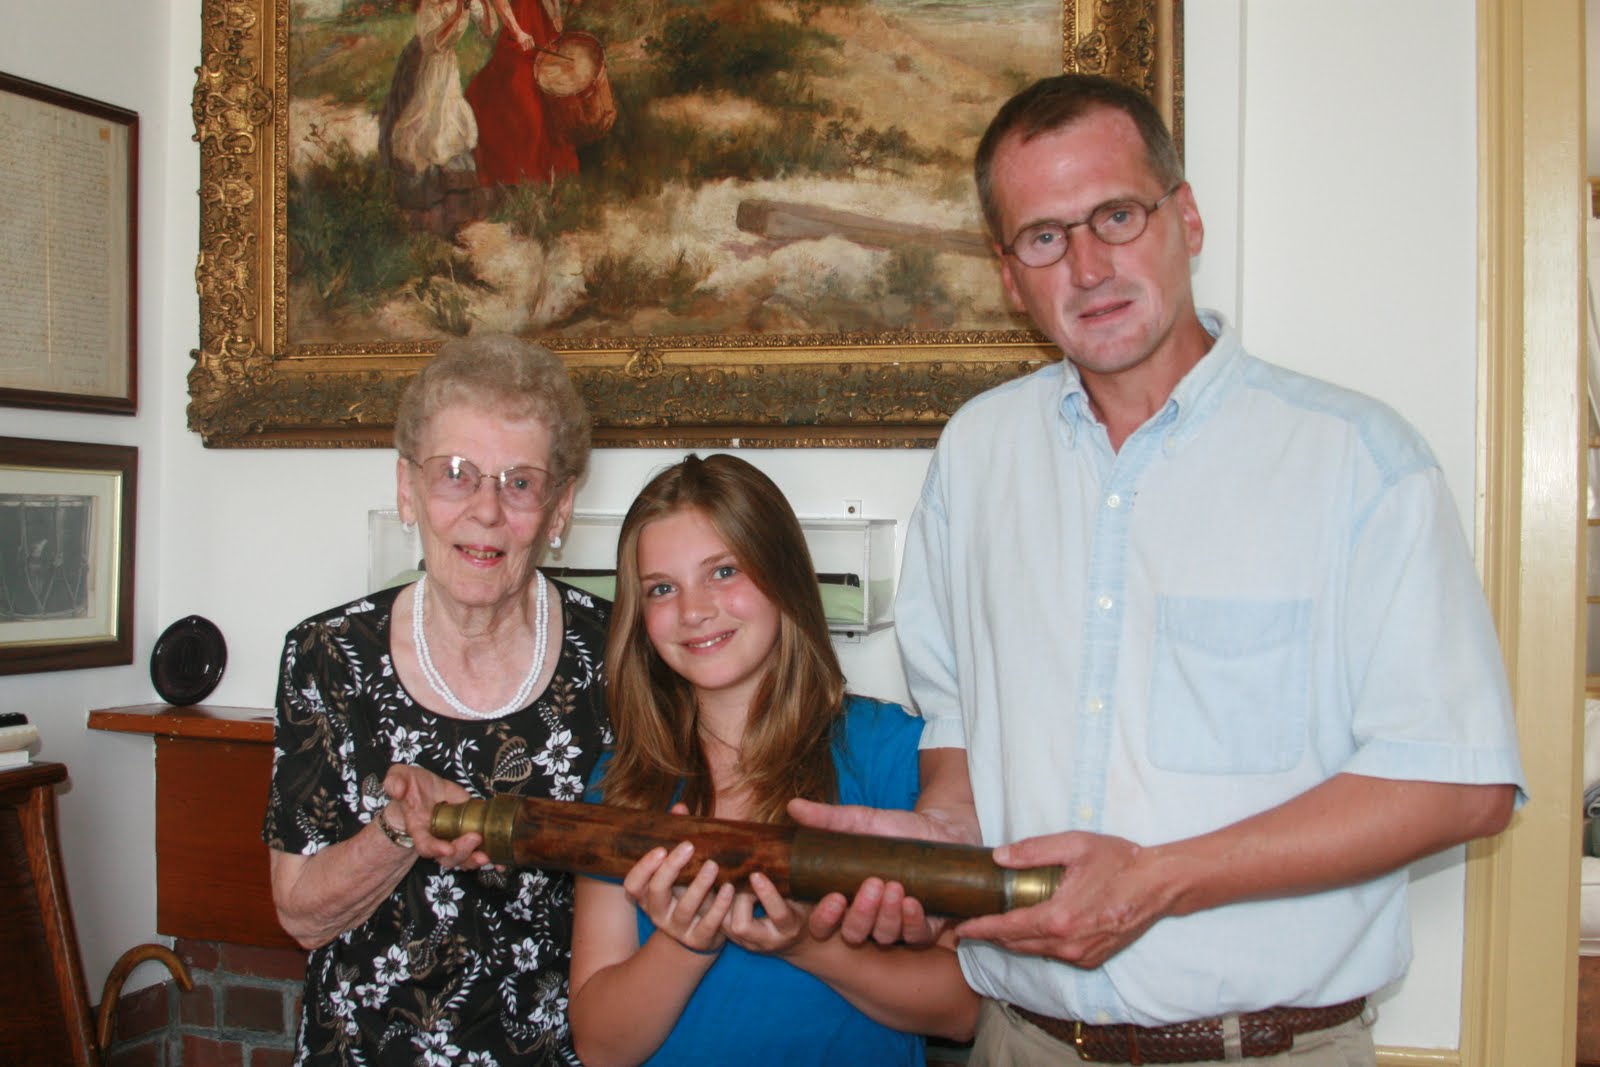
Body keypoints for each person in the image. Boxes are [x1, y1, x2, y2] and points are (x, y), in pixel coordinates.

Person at [791, 74, 1528, 1066]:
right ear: (1008, 275)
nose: (1087, 265)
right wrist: (943, 838)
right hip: (1020, 1041)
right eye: (1043, 237)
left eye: (1116, 215)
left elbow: (1457, 784)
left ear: (1186, 218)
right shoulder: (976, 453)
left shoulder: (1356, 459)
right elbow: (962, 723)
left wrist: (1154, 879)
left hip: (1266, 1049)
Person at [263, 335, 609, 1065]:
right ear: (406, 488)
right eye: (456, 474)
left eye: (520, 483)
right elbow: (300, 915)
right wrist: (397, 831)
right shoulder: (329, 655)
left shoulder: (616, 656)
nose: (486, 511)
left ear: (559, 508)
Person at [567, 453, 977, 1067]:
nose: (694, 610)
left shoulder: (892, 752)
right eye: (662, 588)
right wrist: (684, 943)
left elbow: (963, 1010)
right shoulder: (625, 782)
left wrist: (807, 945)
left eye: (723, 571)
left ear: (783, 575)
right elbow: (601, 1047)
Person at [378, 0, 487, 232]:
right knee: (423, 130)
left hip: (447, 72)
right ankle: (421, 210)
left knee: (451, 130)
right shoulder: (429, 6)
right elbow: (434, 44)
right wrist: (457, 13)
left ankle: (454, 210)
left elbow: (488, 30)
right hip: (424, 68)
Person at [465, 0, 580, 188]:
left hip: (544, 30)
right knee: (522, 101)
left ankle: (549, 181)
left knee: (552, 104)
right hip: (522, 33)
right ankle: (519, 180)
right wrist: (517, 31)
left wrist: (556, 14)